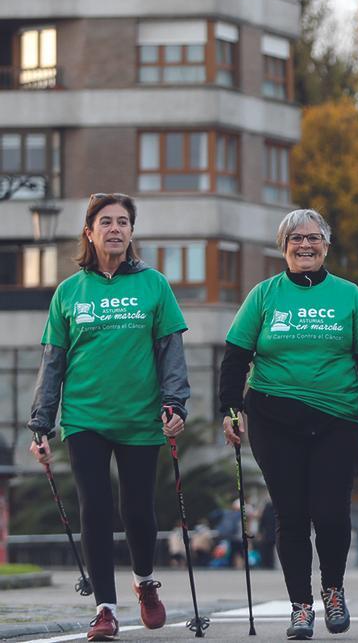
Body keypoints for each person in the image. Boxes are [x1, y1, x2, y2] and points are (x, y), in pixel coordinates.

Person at [219, 208, 358, 640]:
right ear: (283, 248)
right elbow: (236, 355)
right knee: (291, 514)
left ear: (326, 246)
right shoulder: (264, 295)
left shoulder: (349, 295)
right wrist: (229, 407)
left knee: (330, 512)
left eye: (313, 238)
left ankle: (332, 591)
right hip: (274, 418)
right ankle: (300, 607)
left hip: (336, 419)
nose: (305, 245)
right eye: (296, 239)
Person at [26, 193, 189, 642]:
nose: (115, 228)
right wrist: (42, 423)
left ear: (132, 233)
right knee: (94, 509)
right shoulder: (69, 292)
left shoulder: (154, 285)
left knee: (137, 511)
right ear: (89, 231)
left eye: (123, 222)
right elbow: (52, 361)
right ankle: (105, 609)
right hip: (85, 419)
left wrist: (175, 404)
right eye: (106, 221)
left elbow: (171, 352)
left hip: (140, 418)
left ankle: (144, 580)